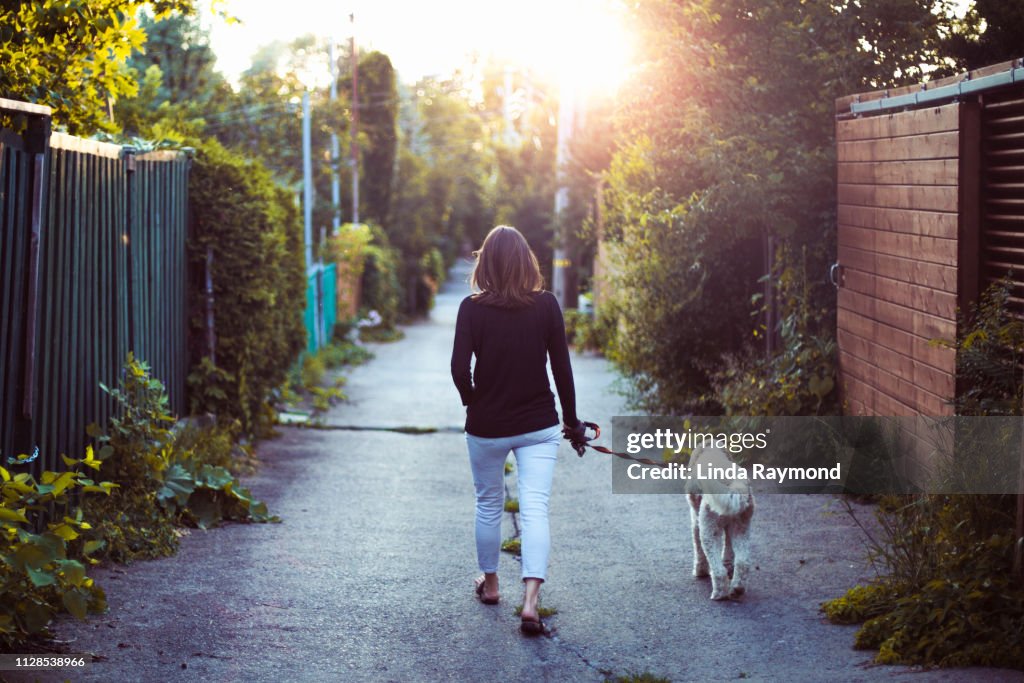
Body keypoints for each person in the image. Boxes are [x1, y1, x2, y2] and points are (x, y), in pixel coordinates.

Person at [451, 225, 584, 636]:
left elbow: (459, 369)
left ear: (485, 263)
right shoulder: (546, 305)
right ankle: (530, 601)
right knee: (535, 507)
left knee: (489, 504)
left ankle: (491, 585)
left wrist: (475, 400)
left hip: (487, 426)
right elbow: (561, 369)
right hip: (538, 425)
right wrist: (572, 422)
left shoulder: (471, 308)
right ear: (527, 261)